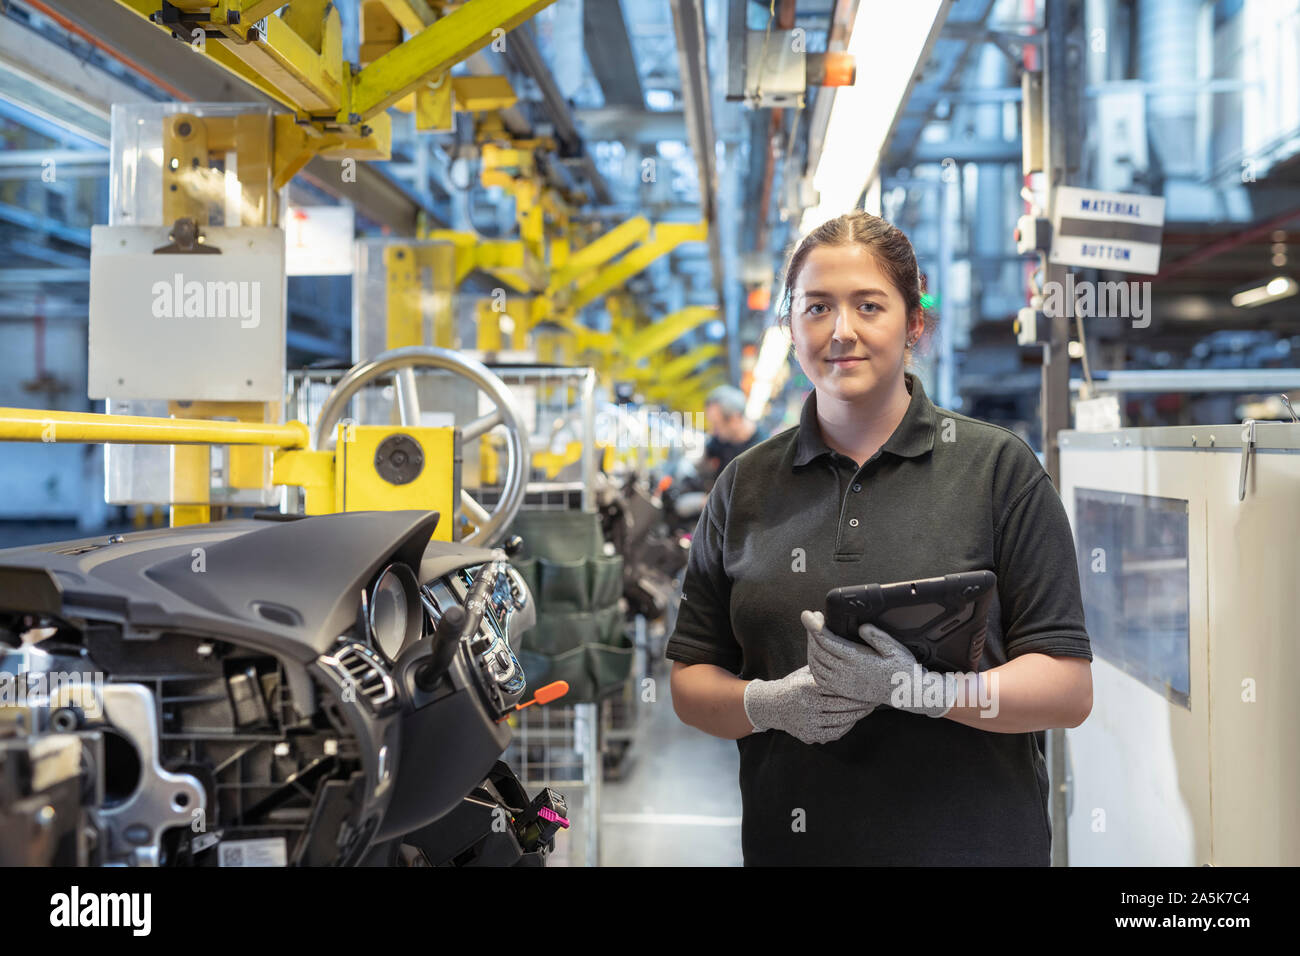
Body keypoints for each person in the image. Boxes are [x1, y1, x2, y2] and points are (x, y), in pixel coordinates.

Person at [665, 211, 1093, 866]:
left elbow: (1067, 688)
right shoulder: (743, 488)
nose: (842, 332)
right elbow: (691, 681)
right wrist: (768, 703)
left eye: (869, 305)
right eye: (816, 308)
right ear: (791, 327)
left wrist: (923, 691)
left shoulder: (997, 471)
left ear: (913, 322)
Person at [701, 385, 766, 481]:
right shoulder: (718, 443)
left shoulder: (762, 451)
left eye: (716, 424)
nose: (713, 431)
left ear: (735, 419)